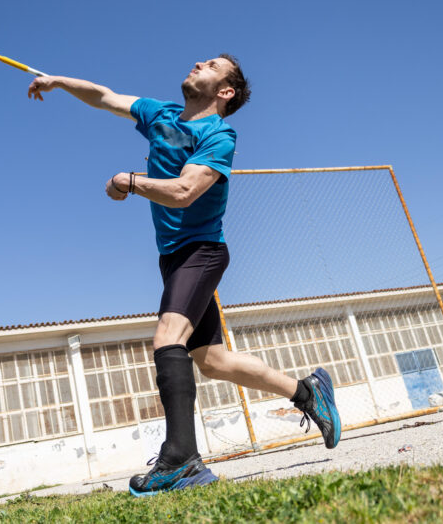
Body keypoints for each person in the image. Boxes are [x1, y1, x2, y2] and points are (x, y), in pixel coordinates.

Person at [27, 55, 340, 496]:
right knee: (213, 362)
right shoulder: (161, 113)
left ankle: (181, 460)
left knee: (167, 338)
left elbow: (185, 191)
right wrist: (58, 81)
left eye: (211, 65)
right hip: (173, 258)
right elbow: (104, 97)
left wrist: (128, 180)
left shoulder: (218, 136)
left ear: (225, 91)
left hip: (202, 252)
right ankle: (308, 392)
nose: (197, 62)